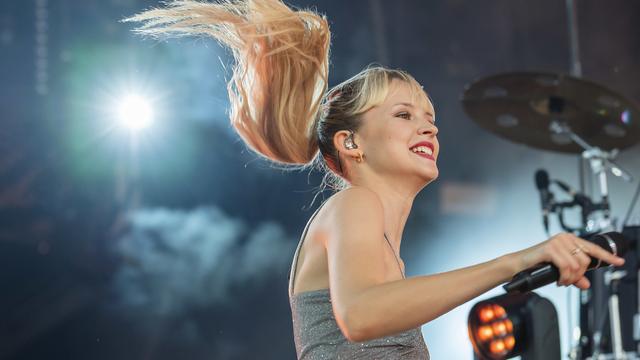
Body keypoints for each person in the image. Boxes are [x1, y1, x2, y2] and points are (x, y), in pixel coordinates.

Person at [124, 1, 626, 359]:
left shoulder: (383, 248)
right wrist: (519, 259)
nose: (428, 125)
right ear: (351, 143)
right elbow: (361, 315)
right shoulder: (353, 205)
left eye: (430, 116)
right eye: (404, 114)